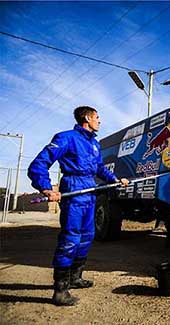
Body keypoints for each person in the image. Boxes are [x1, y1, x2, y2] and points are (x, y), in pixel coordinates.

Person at [28, 106, 129, 306]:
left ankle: (75, 277)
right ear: (87, 118)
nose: (99, 121)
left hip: (89, 191)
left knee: (87, 237)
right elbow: (38, 164)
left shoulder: (95, 144)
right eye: (97, 117)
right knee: (71, 238)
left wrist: (115, 179)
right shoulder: (66, 138)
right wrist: (47, 189)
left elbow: (99, 167)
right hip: (73, 190)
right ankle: (60, 290)